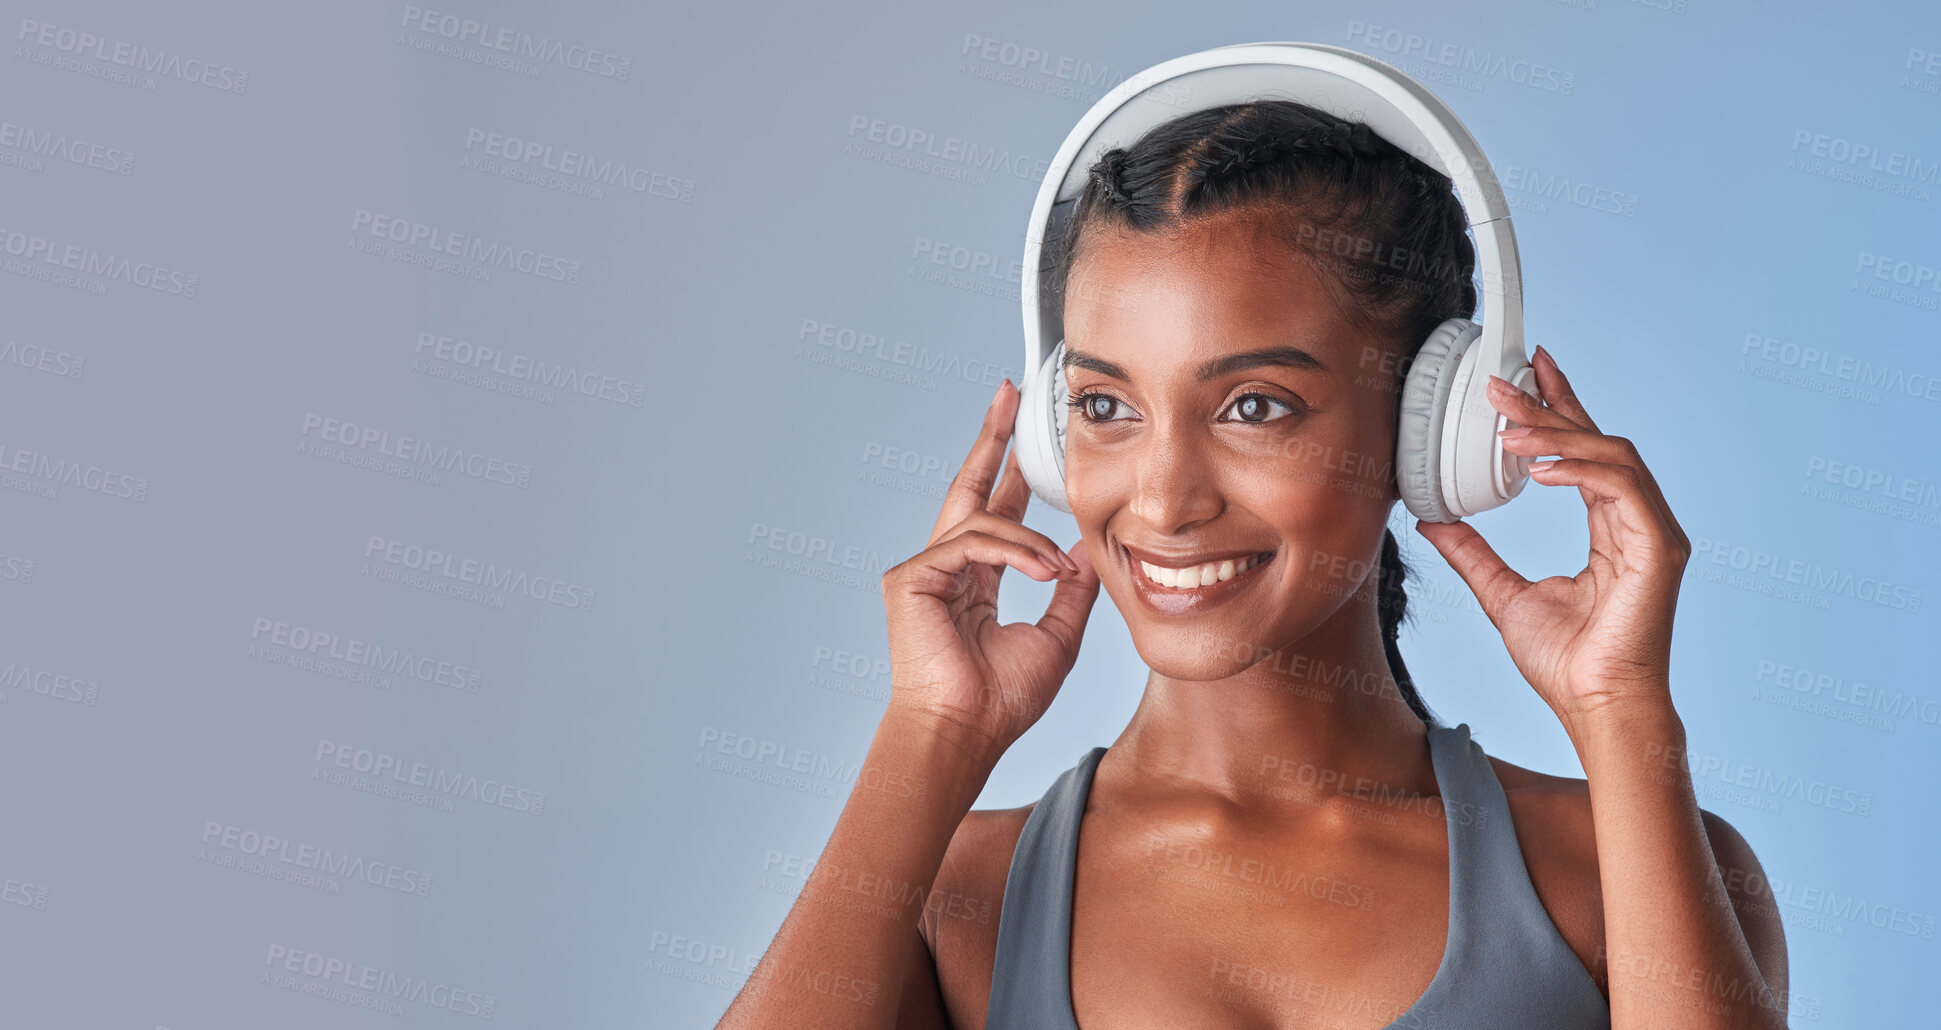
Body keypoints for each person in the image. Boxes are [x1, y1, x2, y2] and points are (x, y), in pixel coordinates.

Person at [716, 100, 1789, 1029]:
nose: (1164, 500)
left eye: (1253, 407)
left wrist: (1623, 708)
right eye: (1104, 407)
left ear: (1430, 433)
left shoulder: (1619, 867)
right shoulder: (960, 897)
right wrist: (932, 733)